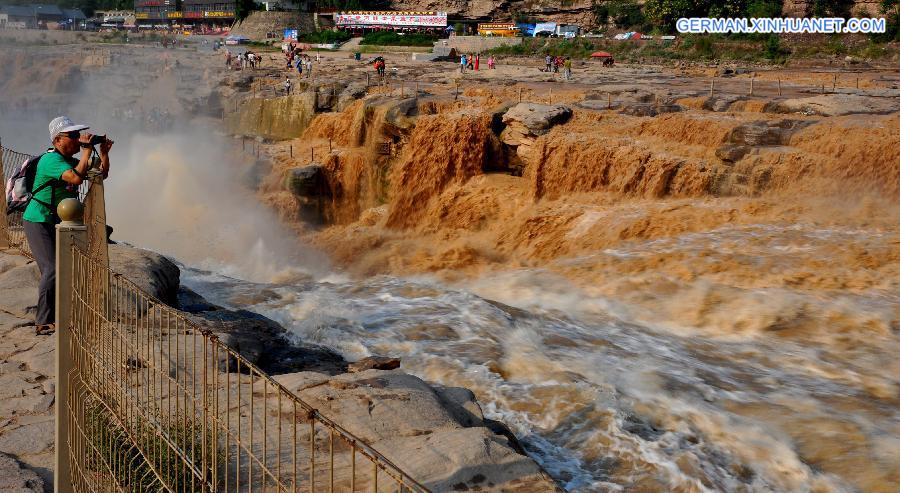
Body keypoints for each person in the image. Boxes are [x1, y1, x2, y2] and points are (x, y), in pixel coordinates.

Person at [23, 117, 112, 335]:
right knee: (52, 269)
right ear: (57, 140)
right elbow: (75, 179)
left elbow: (101, 173)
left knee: (58, 269)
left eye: (76, 135)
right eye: (72, 136)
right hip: (38, 220)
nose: (76, 139)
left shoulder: (67, 160)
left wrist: (103, 152)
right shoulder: (51, 161)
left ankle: (55, 314)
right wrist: (86, 150)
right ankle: (43, 321)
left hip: (55, 220)